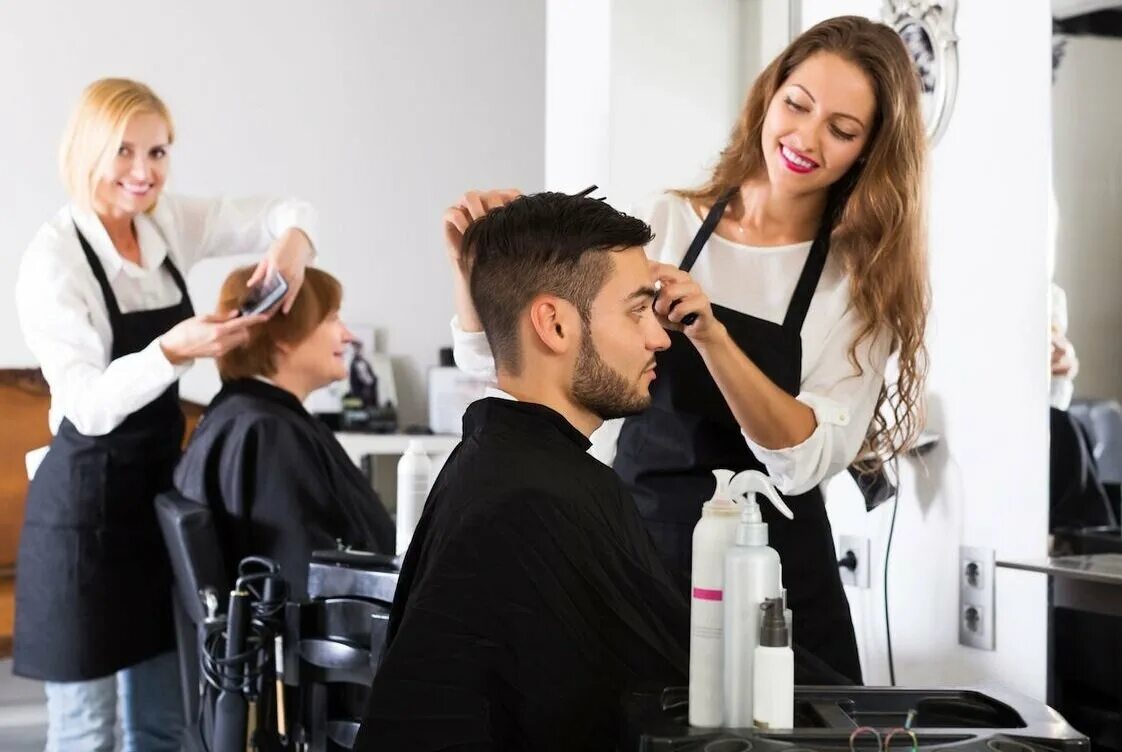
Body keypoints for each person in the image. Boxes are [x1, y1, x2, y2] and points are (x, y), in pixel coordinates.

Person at [449, 16, 930, 685]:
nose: (805, 138)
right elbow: (523, 371)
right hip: (640, 551)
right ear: (769, 95)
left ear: (870, 150)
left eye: (841, 130)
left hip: (777, 577)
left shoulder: (860, 280)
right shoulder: (668, 223)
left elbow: (802, 461)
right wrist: (474, 271)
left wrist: (712, 337)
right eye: (797, 104)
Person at [12, 78, 318, 751]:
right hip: (82, 519)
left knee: (162, 725)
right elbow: (87, 406)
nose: (144, 172)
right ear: (86, 150)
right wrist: (172, 351)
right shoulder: (54, 260)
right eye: (125, 151)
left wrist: (294, 244)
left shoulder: (166, 222)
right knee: (85, 734)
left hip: (156, 506)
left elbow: (285, 211)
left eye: (158, 152)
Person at [355, 192, 689, 751]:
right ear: (554, 325)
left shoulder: (498, 467)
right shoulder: (535, 496)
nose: (659, 336)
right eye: (637, 310)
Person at [174, 266, 396, 596]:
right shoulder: (269, 434)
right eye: (332, 319)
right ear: (282, 335)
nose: (348, 335)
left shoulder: (245, 416)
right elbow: (301, 585)